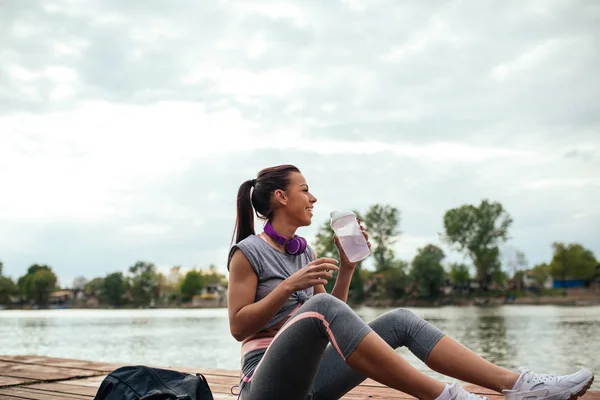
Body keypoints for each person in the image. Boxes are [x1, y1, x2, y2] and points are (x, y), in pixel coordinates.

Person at [226, 164, 594, 400]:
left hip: (313, 384)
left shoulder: (304, 254)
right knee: (318, 305)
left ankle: (520, 385)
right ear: (281, 196)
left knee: (398, 318)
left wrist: (347, 267)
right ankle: (448, 397)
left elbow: (333, 320)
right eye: (305, 189)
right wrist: (290, 287)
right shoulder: (248, 253)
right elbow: (238, 326)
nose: (313, 197)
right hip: (265, 386)